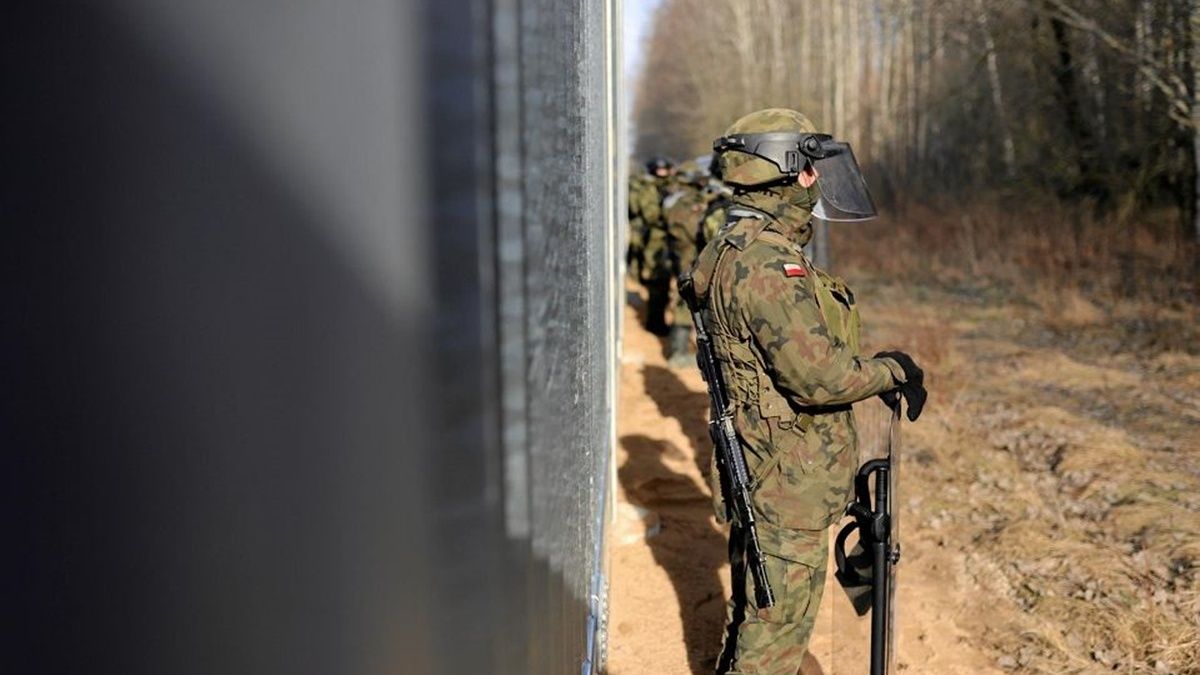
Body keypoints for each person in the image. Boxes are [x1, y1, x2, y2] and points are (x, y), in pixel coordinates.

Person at [688, 108, 927, 675]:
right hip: (783, 477)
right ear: (790, 170)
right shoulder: (768, 263)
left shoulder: (733, 244)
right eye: (810, 167)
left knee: (758, 606)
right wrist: (893, 370)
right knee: (776, 633)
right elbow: (822, 380)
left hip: (763, 461)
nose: (817, 180)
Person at [632, 156, 675, 335]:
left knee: (664, 284)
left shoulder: (668, 187)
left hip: (667, 239)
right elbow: (651, 215)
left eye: (665, 171)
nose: (663, 174)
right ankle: (655, 323)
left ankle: (658, 321)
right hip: (655, 241)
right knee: (657, 283)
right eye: (660, 171)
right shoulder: (649, 189)